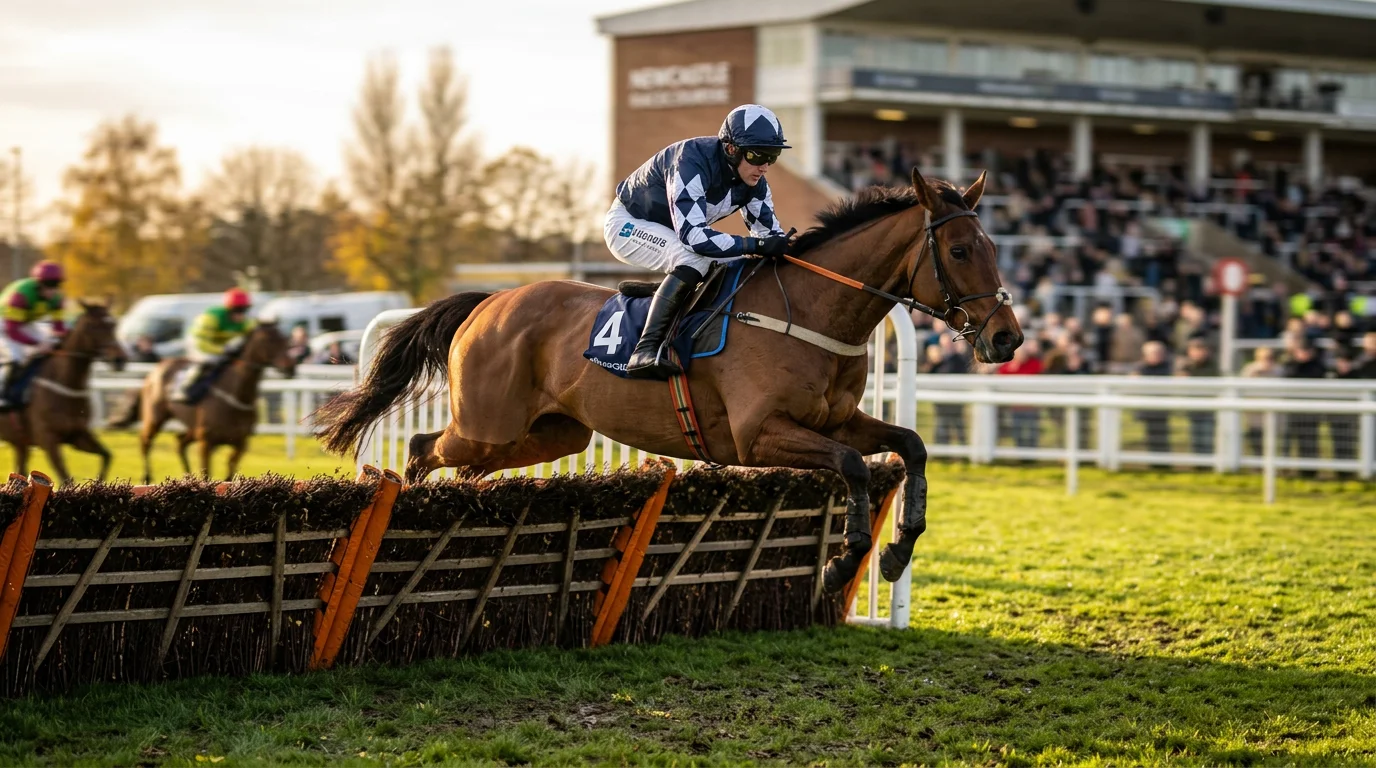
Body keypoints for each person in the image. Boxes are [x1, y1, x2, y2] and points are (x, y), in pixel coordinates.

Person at [604, 104, 791, 379]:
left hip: (675, 234)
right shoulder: (690, 161)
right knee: (693, 257)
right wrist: (757, 247)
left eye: (772, 157)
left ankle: (668, 295)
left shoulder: (755, 182)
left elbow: (770, 236)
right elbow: (694, 237)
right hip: (628, 225)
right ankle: (645, 350)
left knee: (738, 265)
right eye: (757, 155)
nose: (764, 166)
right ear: (730, 149)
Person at [0, 261, 68, 410]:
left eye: (56, 285)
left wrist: (56, 341)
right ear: (38, 284)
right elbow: (12, 331)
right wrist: (37, 344)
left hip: (24, 322)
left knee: (46, 350)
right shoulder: (21, 295)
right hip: (4, 322)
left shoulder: (57, 299)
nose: (52, 290)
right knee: (15, 358)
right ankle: (3, 395)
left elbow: (59, 328)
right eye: (48, 285)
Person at [173, 288, 256, 403]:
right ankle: (182, 387)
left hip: (219, 344)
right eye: (237, 310)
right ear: (228, 309)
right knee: (208, 361)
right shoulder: (211, 318)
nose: (240, 315)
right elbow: (202, 343)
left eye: (244, 311)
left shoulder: (246, 322)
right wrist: (222, 350)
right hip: (198, 342)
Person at [1175, 337, 1219, 456]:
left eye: (1201, 350)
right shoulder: (1185, 366)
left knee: (1207, 435)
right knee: (1195, 435)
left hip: (1209, 407)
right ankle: (1198, 461)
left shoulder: (1214, 366)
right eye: (1195, 350)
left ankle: (1207, 461)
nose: (1198, 353)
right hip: (1193, 406)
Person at [1133, 341, 1173, 460]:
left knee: (1163, 436)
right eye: (1153, 353)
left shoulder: (1168, 367)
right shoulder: (1140, 369)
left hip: (1162, 409)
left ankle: (1163, 462)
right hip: (1148, 408)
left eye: (1158, 353)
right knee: (1150, 436)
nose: (1156, 356)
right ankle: (1153, 461)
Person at [1239, 347, 1282, 456]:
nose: (1266, 360)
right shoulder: (1250, 369)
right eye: (1263, 358)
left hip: (1273, 415)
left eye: (1269, 357)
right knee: (1255, 441)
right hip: (1254, 415)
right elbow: (1243, 389)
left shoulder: (1278, 370)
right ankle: (1257, 465)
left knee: (1273, 443)